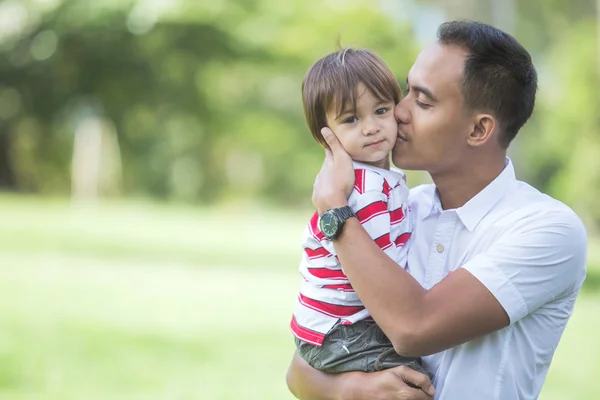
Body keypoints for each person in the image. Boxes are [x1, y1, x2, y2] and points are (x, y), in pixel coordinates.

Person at [286, 20, 587, 400]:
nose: (398, 112)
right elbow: (299, 369)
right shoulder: (403, 208)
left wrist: (335, 210)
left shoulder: (547, 230)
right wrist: (354, 388)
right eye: (404, 92)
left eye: (422, 101)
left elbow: (413, 326)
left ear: (479, 130)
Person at [291, 48, 431, 378]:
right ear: (325, 135)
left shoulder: (378, 179)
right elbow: (384, 276)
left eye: (381, 111)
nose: (371, 127)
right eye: (351, 119)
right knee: (414, 378)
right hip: (340, 330)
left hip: (329, 325)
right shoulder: (364, 187)